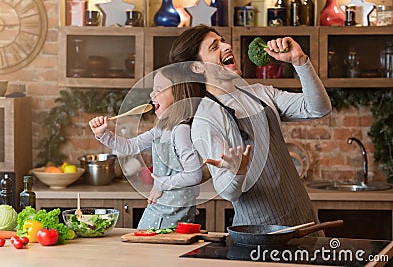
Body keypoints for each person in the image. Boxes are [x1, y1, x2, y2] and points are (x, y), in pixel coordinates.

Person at [168, 25, 332, 227]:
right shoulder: (206, 120)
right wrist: (237, 171)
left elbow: (318, 108)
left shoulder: (259, 93)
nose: (227, 46)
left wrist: (300, 62)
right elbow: (227, 192)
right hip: (261, 233)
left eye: (223, 40)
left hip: (304, 220)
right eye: (214, 46)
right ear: (197, 67)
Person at [88, 67, 205, 229]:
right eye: (152, 90)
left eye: (159, 89)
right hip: (161, 205)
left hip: (174, 211)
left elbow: (194, 175)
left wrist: (161, 184)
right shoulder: (161, 129)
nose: (152, 94)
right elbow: (130, 146)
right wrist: (104, 134)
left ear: (180, 97)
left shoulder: (181, 131)